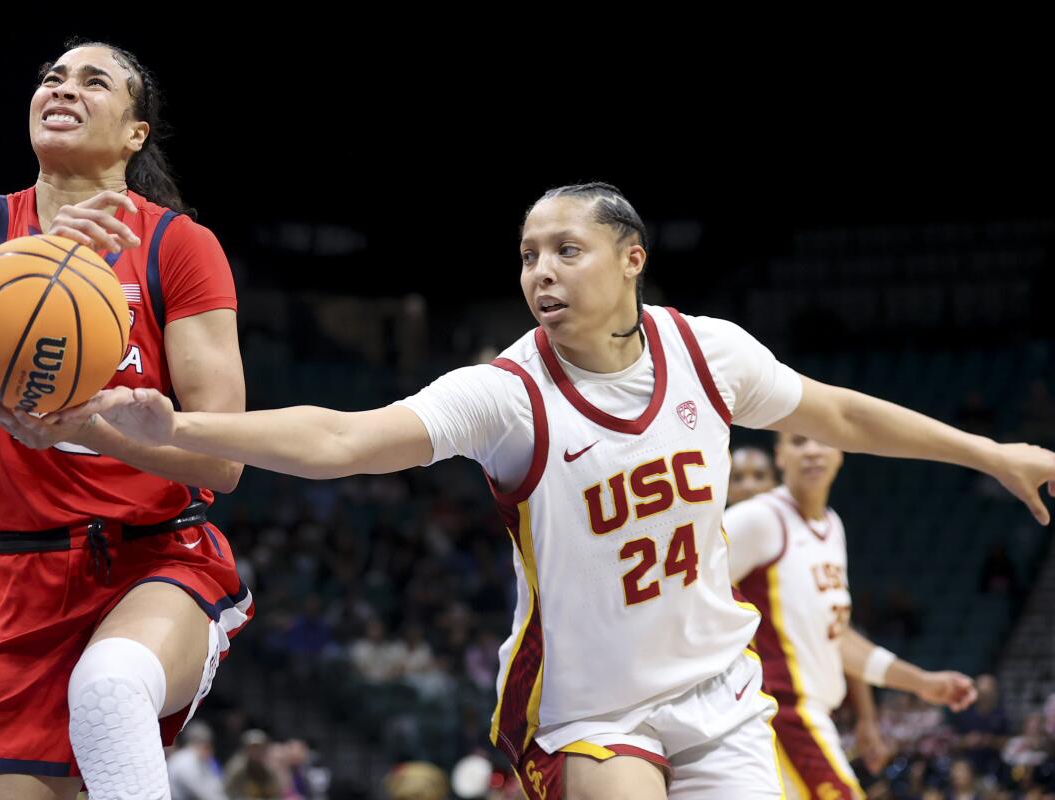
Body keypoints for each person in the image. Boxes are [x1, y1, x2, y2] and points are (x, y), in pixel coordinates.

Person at [61, 182, 1055, 799]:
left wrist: (992, 451)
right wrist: (177, 429)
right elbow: (344, 437)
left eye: (566, 249)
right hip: (588, 707)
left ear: (632, 259)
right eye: (530, 252)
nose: (541, 268)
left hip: (720, 690)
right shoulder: (509, 393)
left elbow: (839, 412)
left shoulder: (708, 351)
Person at [0, 39, 251, 800]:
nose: (62, 89)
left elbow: (223, 460)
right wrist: (19, 264)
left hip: (158, 560)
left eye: (93, 81)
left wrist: (100, 429)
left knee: (109, 686)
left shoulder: (179, 246)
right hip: (22, 573)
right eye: (51, 77)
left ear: (136, 133)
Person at [725, 433, 977, 798]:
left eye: (821, 439)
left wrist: (920, 681)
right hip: (780, 710)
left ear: (841, 450)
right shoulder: (758, 519)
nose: (812, 450)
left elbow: (838, 636)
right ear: (780, 455)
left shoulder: (831, 526)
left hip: (810, 713)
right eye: (798, 441)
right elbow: (679, 596)